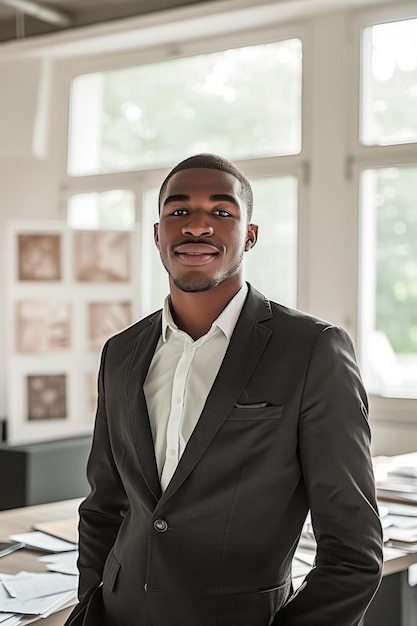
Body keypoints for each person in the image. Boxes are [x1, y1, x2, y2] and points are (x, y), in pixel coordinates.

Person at [65, 153, 383, 626]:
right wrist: (92, 600)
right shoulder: (122, 351)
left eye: (221, 212)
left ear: (249, 235)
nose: (197, 226)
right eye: (178, 212)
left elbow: (354, 551)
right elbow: (103, 505)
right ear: (157, 235)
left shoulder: (312, 351)